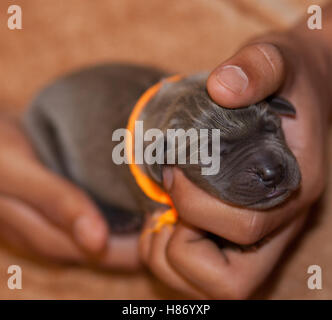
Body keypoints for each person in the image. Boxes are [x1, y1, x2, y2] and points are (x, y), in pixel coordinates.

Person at [0, 3, 331, 298]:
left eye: (269, 128)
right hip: (53, 126)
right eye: (219, 153)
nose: (270, 168)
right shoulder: (155, 150)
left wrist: (318, 51)